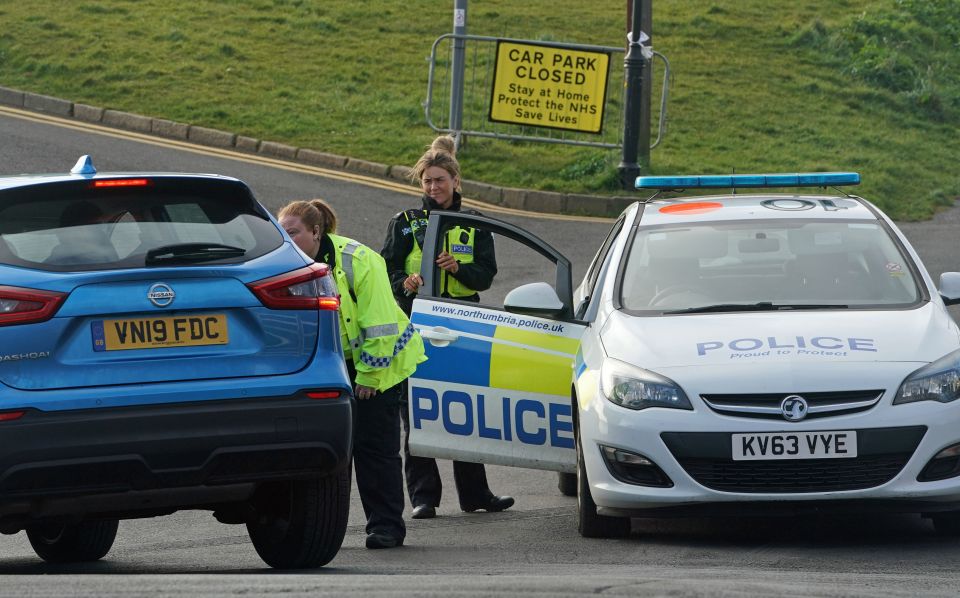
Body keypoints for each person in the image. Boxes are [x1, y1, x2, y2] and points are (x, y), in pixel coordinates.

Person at [278, 198, 426, 549]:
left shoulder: (358, 260)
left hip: (380, 361)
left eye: (293, 233)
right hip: (332, 364)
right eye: (280, 234)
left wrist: (369, 379)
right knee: (332, 452)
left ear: (316, 231)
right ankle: (327, 530)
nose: (285, 241)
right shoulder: (286, 263)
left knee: (375, 449)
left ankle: (387, 528)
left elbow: (380, 325)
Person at [381, 135, 514, 520]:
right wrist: (402, 284)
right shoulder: (404, 223)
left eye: (440, 179)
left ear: (456, 181)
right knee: (416, 412)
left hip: (462, 325)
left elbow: (485, 276)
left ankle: (476, 495)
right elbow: (385, 270)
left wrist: (459, 269)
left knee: (464, 410)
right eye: (427, 181)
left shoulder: (475, 224)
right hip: (416, 325)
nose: (433, 187)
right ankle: (424, 498)